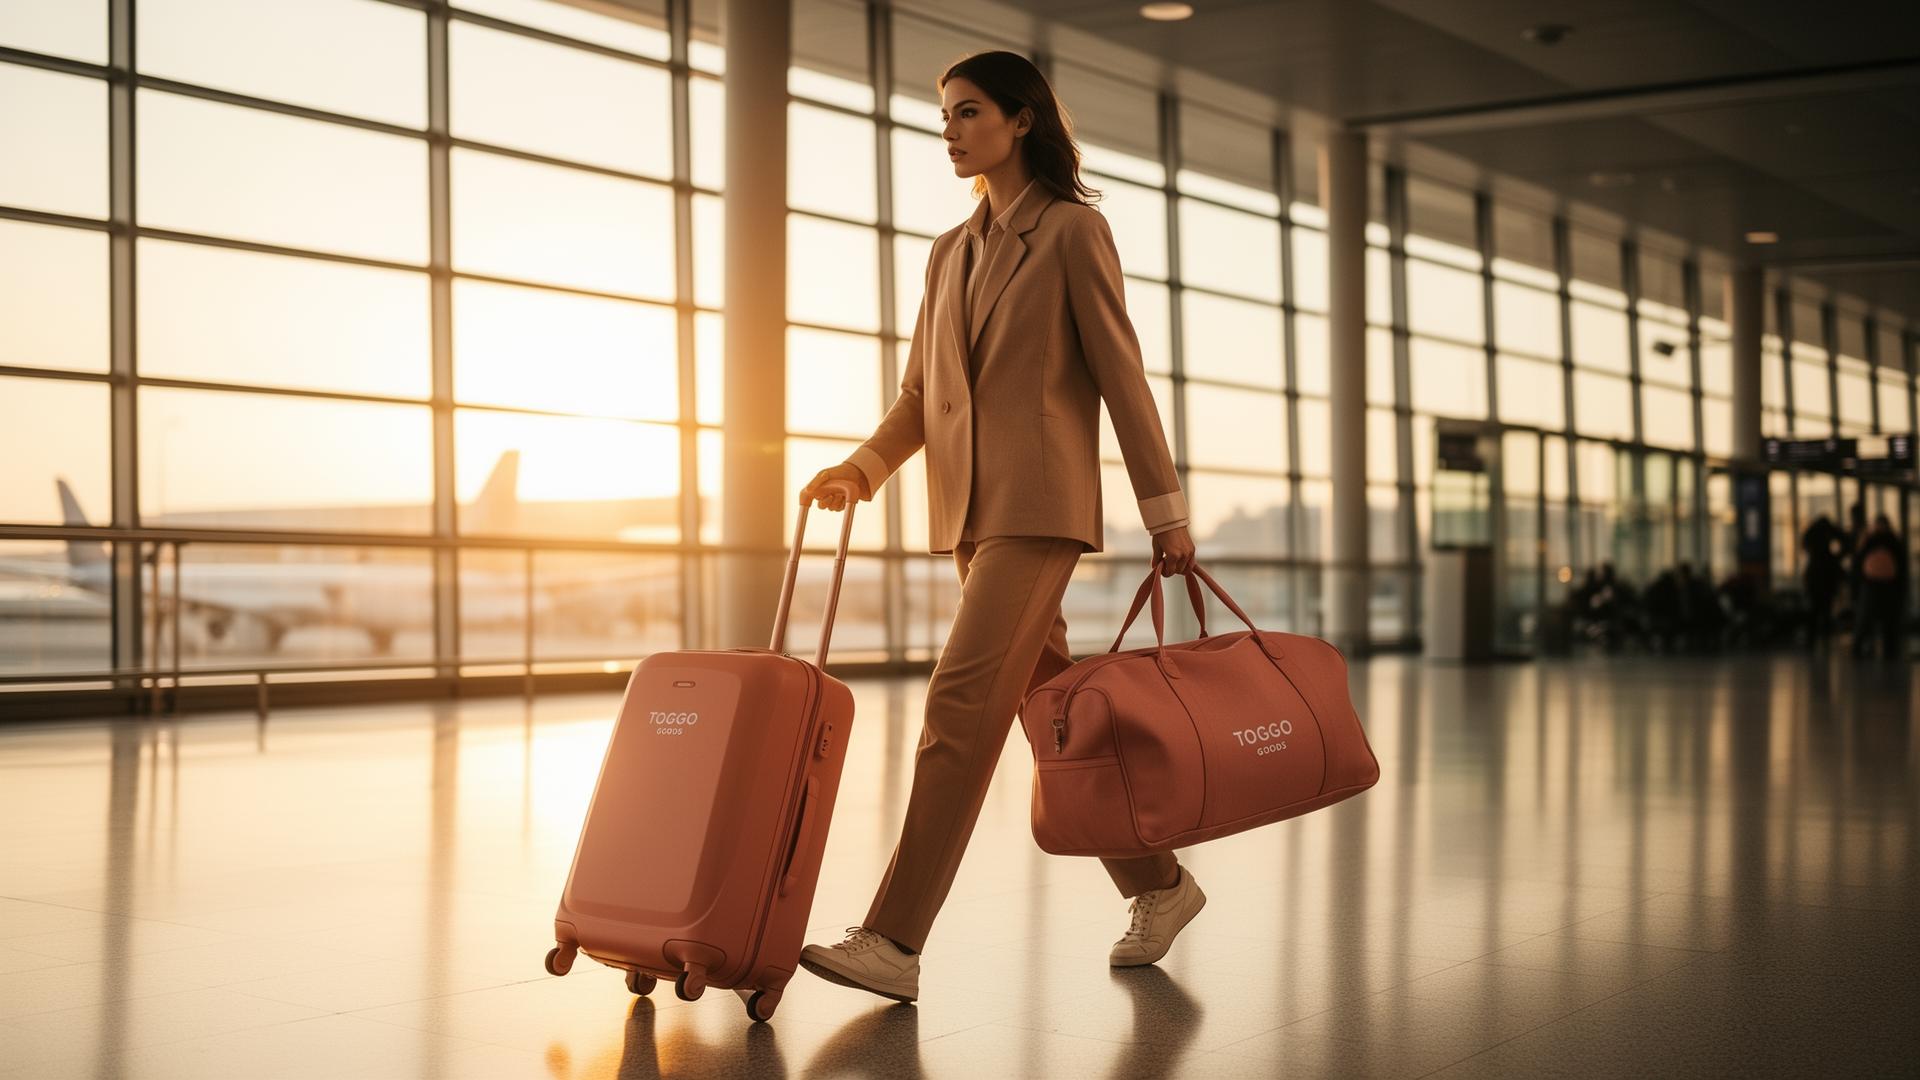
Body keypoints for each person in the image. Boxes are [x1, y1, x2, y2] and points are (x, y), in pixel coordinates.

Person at [793, 51, 1203, 1003]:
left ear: (1021, 122)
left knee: (958, 707)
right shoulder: (949, 250)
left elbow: (1120, 376)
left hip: (1039, 507)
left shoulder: (1071, 232)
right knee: (1052, 715)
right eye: (943, 114)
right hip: (972, 517)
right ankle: (1162, 883)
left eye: (968, 111)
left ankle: (894, 941)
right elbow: (920, 395)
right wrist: (862, 468)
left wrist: (1165, 513)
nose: (950, 128)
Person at [1852, 514, 1908, 660]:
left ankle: (1880, 649)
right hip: (1878, 585)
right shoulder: (1888, 541)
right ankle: (1871, 648)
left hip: (1879, 585)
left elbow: (1858, 562)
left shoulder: (1874, 541)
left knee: (1877, 619)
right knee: (1871, 619)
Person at [1800, 514, 1843, 649]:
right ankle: (1824, 639)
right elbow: (1845, 540)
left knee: (1813, 610)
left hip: (1815, 577)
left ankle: (1811, 640)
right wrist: (1836, 556)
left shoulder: (1811, 535)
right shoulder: (1828, 534)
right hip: (1827, 577)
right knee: (1825, 609)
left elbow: (1804, 545)